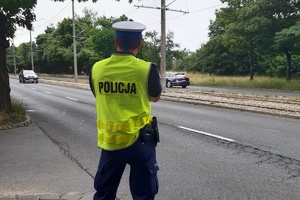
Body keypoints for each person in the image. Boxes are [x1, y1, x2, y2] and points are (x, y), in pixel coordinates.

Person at [89, 21, 162, 200]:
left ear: (116, 42)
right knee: (144, 194)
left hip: (111, 143)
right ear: (139, 44)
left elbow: (97, 94)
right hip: (140, 142)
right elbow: (155, 97)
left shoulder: (96, 69)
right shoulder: (147, 69)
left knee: (104, 193)